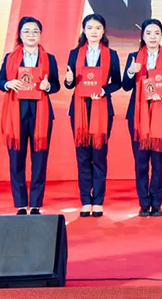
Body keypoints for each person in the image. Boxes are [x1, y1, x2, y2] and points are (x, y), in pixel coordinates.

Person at [0, 16, 61, 215]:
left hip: (41, 113)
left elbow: (56, 85)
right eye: (26, 31)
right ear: (20, 35)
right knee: (16, 159)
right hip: (16, 113)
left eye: (35, 31)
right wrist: (8, 84)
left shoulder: (49, 58)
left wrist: (48, 86)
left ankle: (36, 203)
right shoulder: (10, 57)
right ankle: (21, 203)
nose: (31, 35)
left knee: (39, 159)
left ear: (40, 35)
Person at [64, 14, 121, 217]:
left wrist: (104, 90)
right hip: (79, 109)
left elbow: (117, 82)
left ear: (103, 30)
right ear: (84, 30)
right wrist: (69, 80)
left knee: (99, 156)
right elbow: (69, 84)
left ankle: (98, 200)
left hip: (102, 109)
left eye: (98, 28)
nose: (94, 32)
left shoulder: (111, 54)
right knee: (82, 156)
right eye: (90, 28)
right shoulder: (74, 53)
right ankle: (85, 200)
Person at [122, 19, 162, 217]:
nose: (152, 37)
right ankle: (144, 203)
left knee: (159, 161)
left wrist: (161, 93)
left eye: (156, 33)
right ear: (142, 36)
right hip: (137, 115)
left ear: (161, 35)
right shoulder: (133, 57)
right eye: (148, 33)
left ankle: (156, 202)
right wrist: (131, 71)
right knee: (141, 160)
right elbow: (126, 85)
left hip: (161, 113)